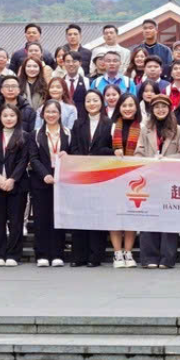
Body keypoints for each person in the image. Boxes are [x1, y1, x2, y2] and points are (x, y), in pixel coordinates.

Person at [132, 95, 180, 269]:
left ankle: (167, 258)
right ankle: (149, 257)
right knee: (149, 216)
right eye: (156, 107)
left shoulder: (179, 130)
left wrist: (167, 159)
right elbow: (138, 152)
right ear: (152, 110)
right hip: (150, 178)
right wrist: (149, 160)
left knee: (169, 217)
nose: (160, 110)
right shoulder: (145, 129)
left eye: (164, 106)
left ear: (169, 109)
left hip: (170, 180)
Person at [70, 88, 115, 267]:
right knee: (79, 215)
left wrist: (98, 155)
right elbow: (73, 146)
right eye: (88, 101)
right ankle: (78, 256)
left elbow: (114, 149)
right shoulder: (77, 123)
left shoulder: (109, 123)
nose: (91, 104)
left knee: (97, 215)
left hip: (100, 175)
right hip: (81, 175)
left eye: (95, 100)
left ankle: (95, 256)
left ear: (101, 102)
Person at [0, 103, 28, 268]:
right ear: (0, 118)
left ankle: (14, 254)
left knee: (16, 221)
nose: (9, 119)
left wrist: (12, 179)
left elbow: (24, 160)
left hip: (17, 185)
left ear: (17, 117)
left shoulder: (24, 136)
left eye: (12, 115)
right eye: (5, 116)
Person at [27, 99, 70, 268]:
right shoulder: (36, 134)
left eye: (54, 112)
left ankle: (57, 253)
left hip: (62, 180)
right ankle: (42, 254)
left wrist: (67, 155)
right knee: (41, 217)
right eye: (48, 112)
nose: (51, 115)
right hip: (41, 180)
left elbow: (73, 154)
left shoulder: (68, 133)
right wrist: (44, 174)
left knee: (59, 217)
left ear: (60, 114)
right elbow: (33, 158)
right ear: (42, 114)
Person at [107, 92, 143, 268]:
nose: (128, 109)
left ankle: (128, 252)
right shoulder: (110, 126)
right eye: (124, 105)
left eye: (131, 105)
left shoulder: (143, 126)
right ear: (118, 107)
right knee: (115, 215)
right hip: (114, 177)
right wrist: (112, 152)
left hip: (136, 179)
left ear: (136, 107)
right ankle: (117, 253)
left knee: (131, 215)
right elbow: (102, 148)